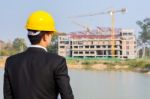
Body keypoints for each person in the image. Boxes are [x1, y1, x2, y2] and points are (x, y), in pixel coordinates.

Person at [3, 10, 74, 99]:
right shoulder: (57, 62)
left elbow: (7, 96)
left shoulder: (11, 62)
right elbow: (67, 96)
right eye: (51, 34)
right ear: (45, 36)